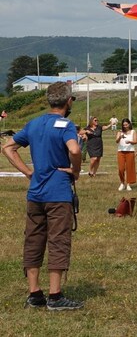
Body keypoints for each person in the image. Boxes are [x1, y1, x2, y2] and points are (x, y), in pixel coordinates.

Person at [1, 82, 83, 310]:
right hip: (58, 194)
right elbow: (75, 150)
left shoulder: (34, 123)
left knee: (33, 240)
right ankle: (55, 297)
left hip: (35, 193)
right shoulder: (66, 125)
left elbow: (8, 148)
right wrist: (75, 171)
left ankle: (34, 293)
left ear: (49, 101)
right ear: (68, 101)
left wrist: (28, 172)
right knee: (58, 241)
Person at [115, 118, 137, 191]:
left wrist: (130, 141)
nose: (125, 126)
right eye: (123, 125)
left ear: (129, 124)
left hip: (130, 151)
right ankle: (122, 183)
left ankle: (128, 184)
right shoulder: (120, 132)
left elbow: (135, 141)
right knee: (121, 169)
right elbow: (116, 141)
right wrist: (120, 137)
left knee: (129, 168)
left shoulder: (133, 131)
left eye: (126, 124)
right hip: (121, 151)